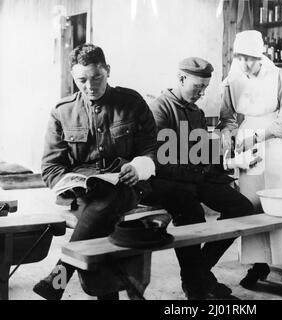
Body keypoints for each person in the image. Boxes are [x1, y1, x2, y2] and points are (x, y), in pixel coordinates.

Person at [33, 44, 158, 300]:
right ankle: (125, 289)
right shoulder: (62, 111)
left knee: (108, 200)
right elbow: (50, 167)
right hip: (84, 195)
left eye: (97, 77)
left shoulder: (131, 102)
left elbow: (151, 149)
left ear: (107, 71)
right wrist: (70, 183)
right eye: (82, 80)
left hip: (126, 186)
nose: (90, 85)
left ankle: (61, 273)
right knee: (101, 213)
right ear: (73, 77)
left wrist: (138, 167)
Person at [216, 30, 282, 297]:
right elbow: (226, 117)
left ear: (261, 55)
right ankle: (259, 265)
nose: (246, 64)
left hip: (278, 145)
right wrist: (228, 135)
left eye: (251, 58)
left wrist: (257, 137)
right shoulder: (232, 79)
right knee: (252, 204)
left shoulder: (279, 77)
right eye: (241, 58)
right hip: (248, 148)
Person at [147, 57, 257, 300]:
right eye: (197, 87)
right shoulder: (160, 109)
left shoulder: (196, 112)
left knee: (242, 208)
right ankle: (197, 285)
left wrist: (229, 162)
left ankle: (198, 275)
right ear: (181, 78)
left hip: (193, 178)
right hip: (166, 181)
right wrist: (200, 170)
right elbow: (160, 162)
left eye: (205, 88)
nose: (201, 93)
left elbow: (200, 152)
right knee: (192, 214)